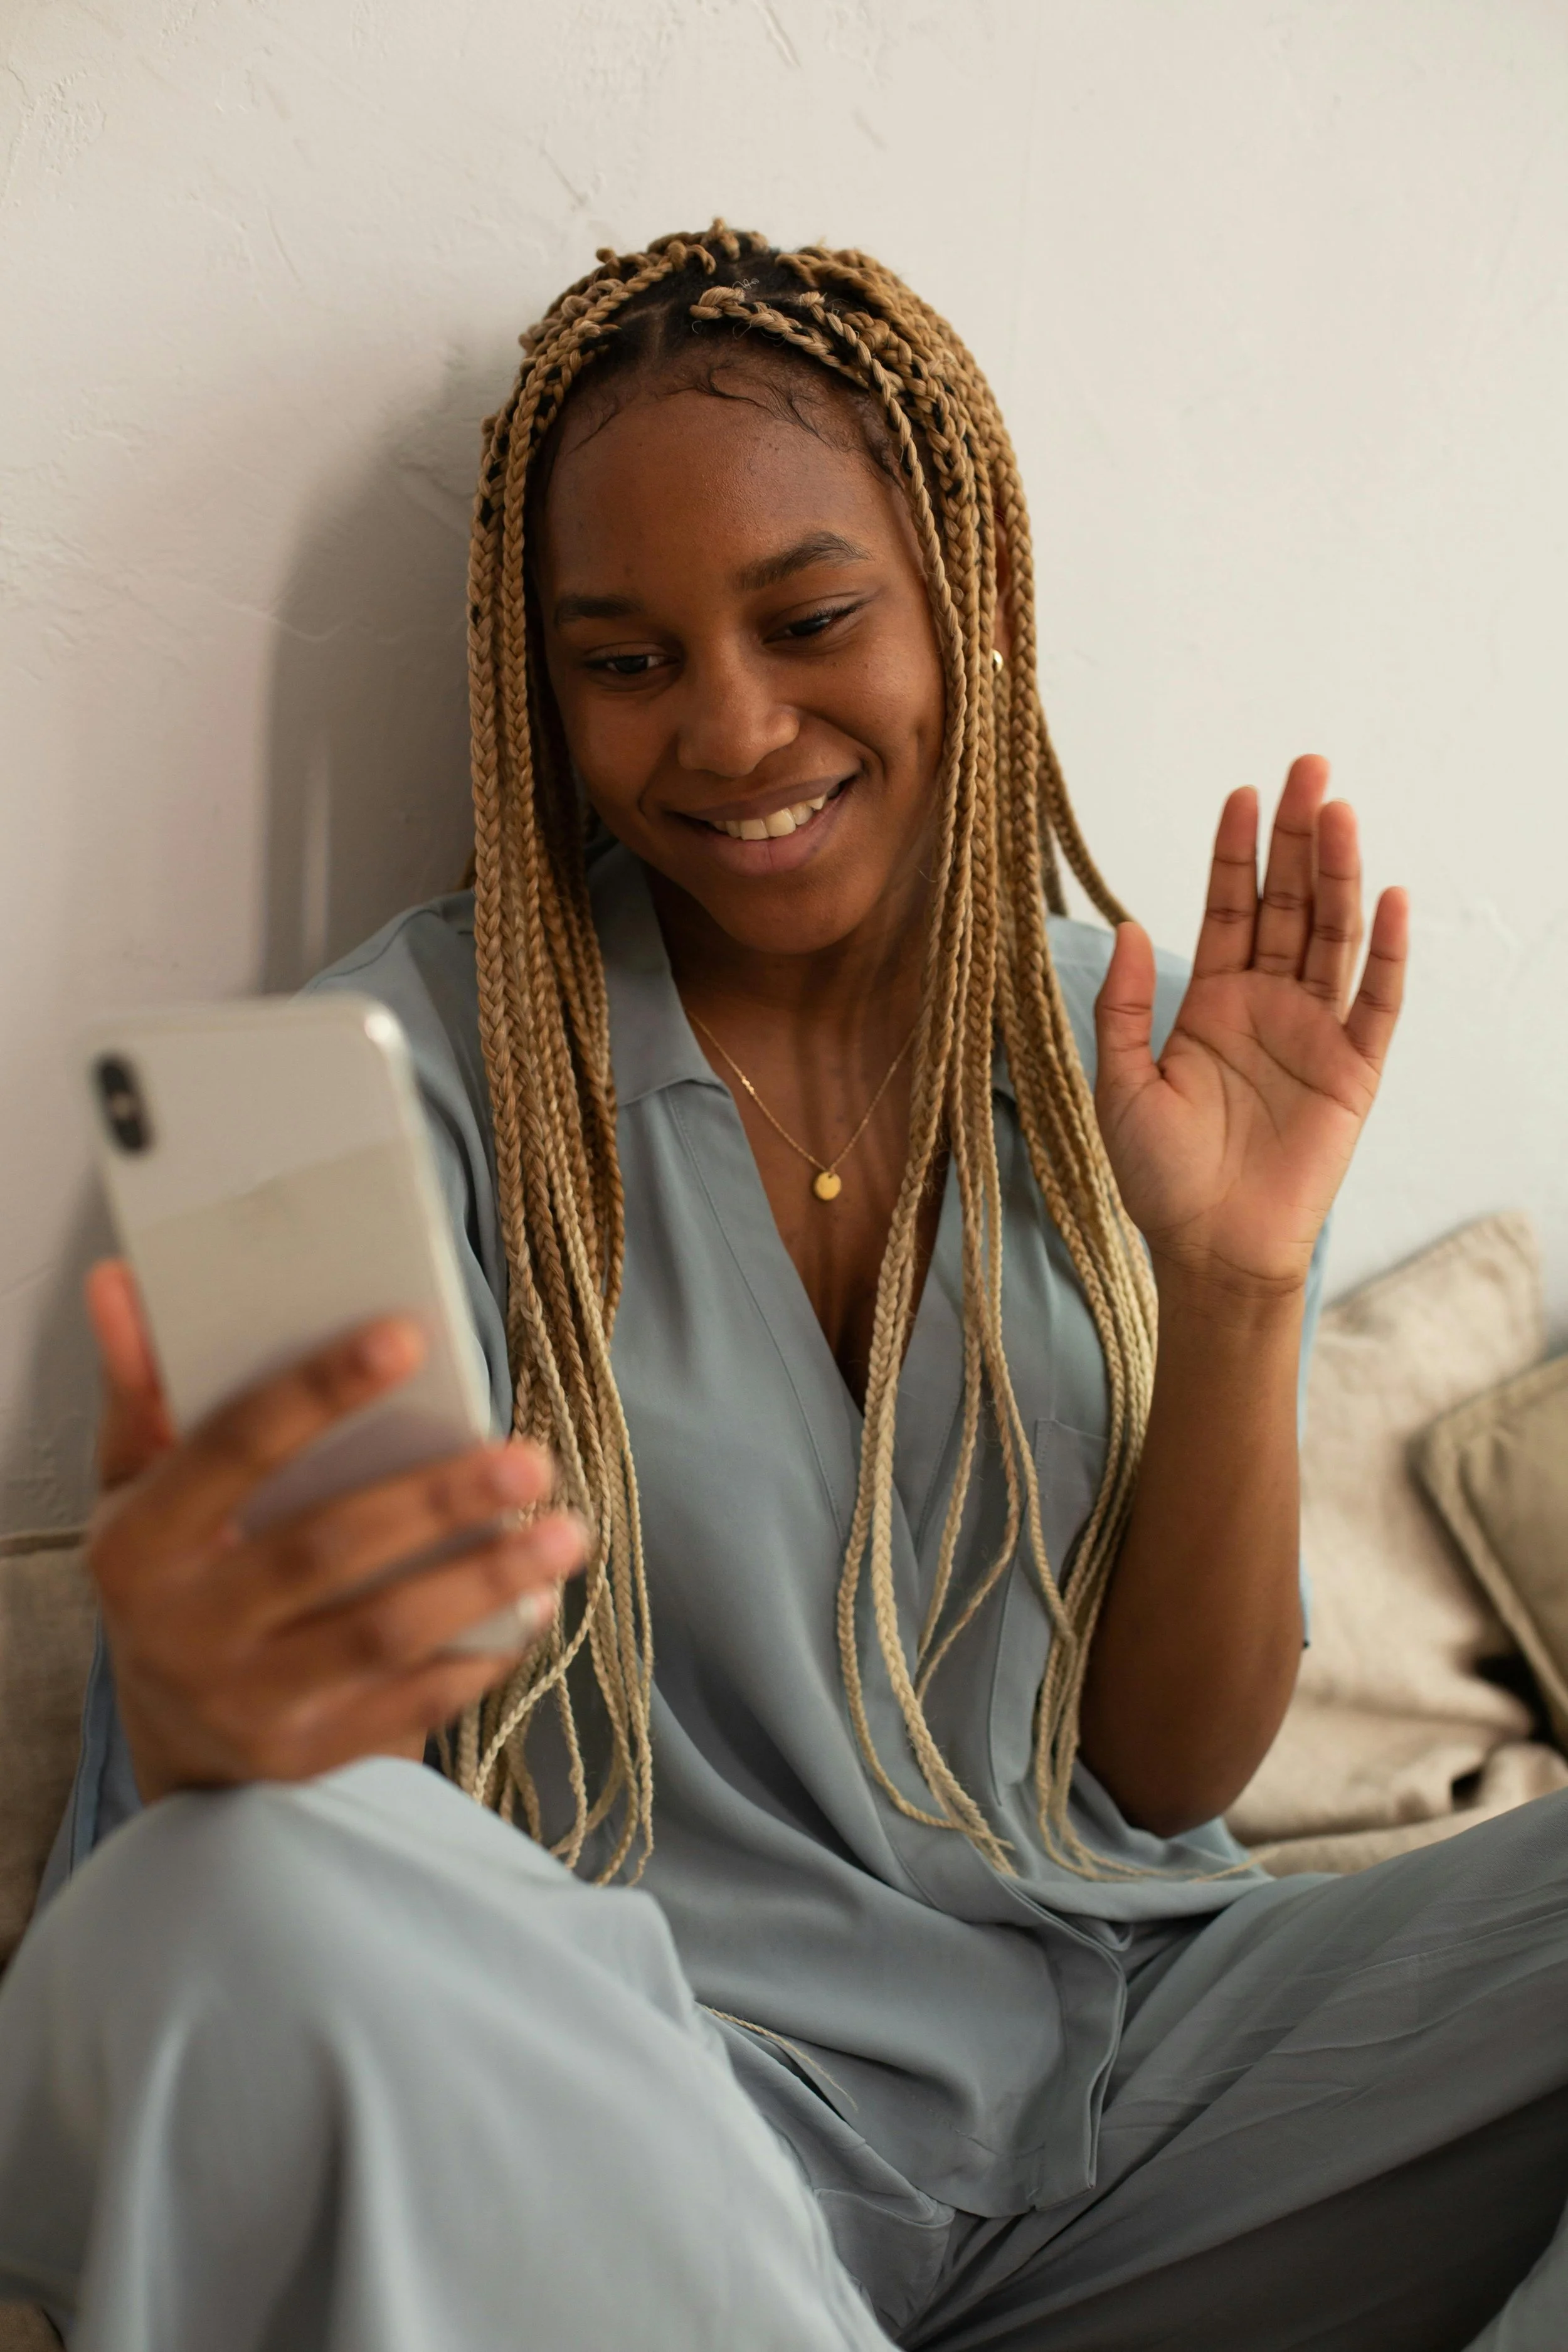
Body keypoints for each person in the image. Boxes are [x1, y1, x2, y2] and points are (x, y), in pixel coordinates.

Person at [1, 223, 1565, 2351]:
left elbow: (1170, 1775)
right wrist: (203, 1729)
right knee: (235, 1903)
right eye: (621, 660)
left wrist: (1235, 1277)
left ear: (966, 600)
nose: (728, 731)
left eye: (810, 617)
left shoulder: (1127, 1046)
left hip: (1138, 2087)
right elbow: (265, 1887)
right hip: (686, 2151)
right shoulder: (384, 1100)